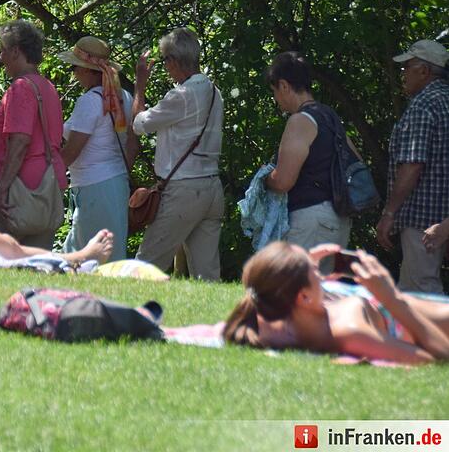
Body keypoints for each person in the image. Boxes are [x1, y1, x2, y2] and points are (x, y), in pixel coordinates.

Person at [224, 241, 449, 364]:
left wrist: (300, 268)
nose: (320, 274)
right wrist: (390, 297)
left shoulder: (285, 313)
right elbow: (439, 358)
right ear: (303, 297)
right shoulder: (350, 333)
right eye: (315, 271)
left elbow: (264, 286)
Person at [130, 27, 224, 280]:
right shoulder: (215, 92)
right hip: (212, 188)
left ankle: (130, 316)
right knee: (207, 276)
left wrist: (140, 84)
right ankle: (218, 319)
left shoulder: (181, 95)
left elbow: (139, 124)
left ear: (173, 60)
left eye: (165, 60)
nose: (165, 67)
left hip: (184, 191)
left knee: (145, 265)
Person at [263, 52, 357, 261]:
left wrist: (265, 179)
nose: (276, 99)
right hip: (338, 219)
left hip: (310, 220)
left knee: (294, 288)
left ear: (284, 86)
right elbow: (355, 160)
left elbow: (283, 181)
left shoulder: (300, 121)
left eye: (274, 91)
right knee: (322, 291)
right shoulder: (330, 116)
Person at [0, 20, 67, 248]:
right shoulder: (48, 87)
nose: (0, 58)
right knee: (37, 264)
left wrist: (2, 187)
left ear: (15, 51)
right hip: (48, 184)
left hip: (21, 189)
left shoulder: (20, 87)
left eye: (2, 50)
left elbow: (20, 141)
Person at [376, 39, 449, 293]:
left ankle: (435, 334)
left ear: (425, 71)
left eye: (407, 67)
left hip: (423, 218)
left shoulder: (423, 105)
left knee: (421, 294)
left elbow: (412, 166)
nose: (403, 74)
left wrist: (389, 213)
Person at [57, 36, 137, 260]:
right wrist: (121, 170)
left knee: (92, 258)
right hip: (115, 182)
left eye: (75, 67)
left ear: (88, 71)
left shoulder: (90, 101)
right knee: (98, 252)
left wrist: (46, 178)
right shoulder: (125, 98)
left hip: (94, 186)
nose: (73, 73)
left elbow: (72, 151)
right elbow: (133, 143)